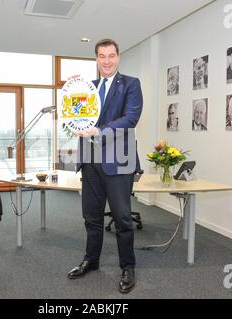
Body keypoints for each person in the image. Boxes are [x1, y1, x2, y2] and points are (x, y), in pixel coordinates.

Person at [68, 39, 143, 294]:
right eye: (102, 56)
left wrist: (99, 131)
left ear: (118, 57)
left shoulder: (131, 84)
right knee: (91, 216)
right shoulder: (88, 87)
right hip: (90, 160)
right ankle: (91, 260)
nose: (107, 61)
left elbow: (130, 118)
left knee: (122, 219)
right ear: (96, 59)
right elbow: (76, 117)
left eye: (111, 55)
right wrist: (73, 93)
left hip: (118, 161)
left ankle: (127, 267)